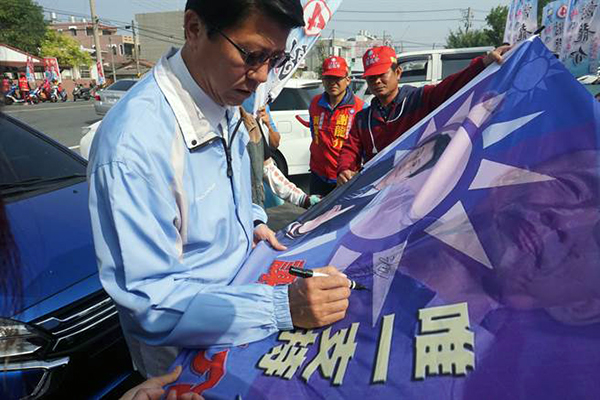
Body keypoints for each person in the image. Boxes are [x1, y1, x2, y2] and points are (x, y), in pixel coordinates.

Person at [87, 0, 352, 378]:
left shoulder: (222, 97)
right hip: (185, 362)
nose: (262, 75)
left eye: (275, 59)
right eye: (252, 55)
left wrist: (253, 221)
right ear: (194, 29)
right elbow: (150, 302)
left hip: (243, 319)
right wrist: (282, 307)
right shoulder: (134, 147)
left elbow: (231, 190)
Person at [337, 45, 511, 185]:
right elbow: (350, 150)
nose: (376, 81)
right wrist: (344, 169)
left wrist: (483, 63)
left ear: (398, 72)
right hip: (376, 191)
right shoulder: (363, 118)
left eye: (382, 74)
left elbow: (452, 85)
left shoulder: (419, 99)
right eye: (371, 77)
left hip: (415, 186)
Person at [309, 56, 364, 196]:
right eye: (328, 78)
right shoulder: (315, 103)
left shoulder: (360, 108)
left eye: (337, 78)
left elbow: (363, 147)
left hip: (345, 178)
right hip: (318, 176)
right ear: (323, 80)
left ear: (348, 80)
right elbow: (314, 134)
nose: (332, 83)